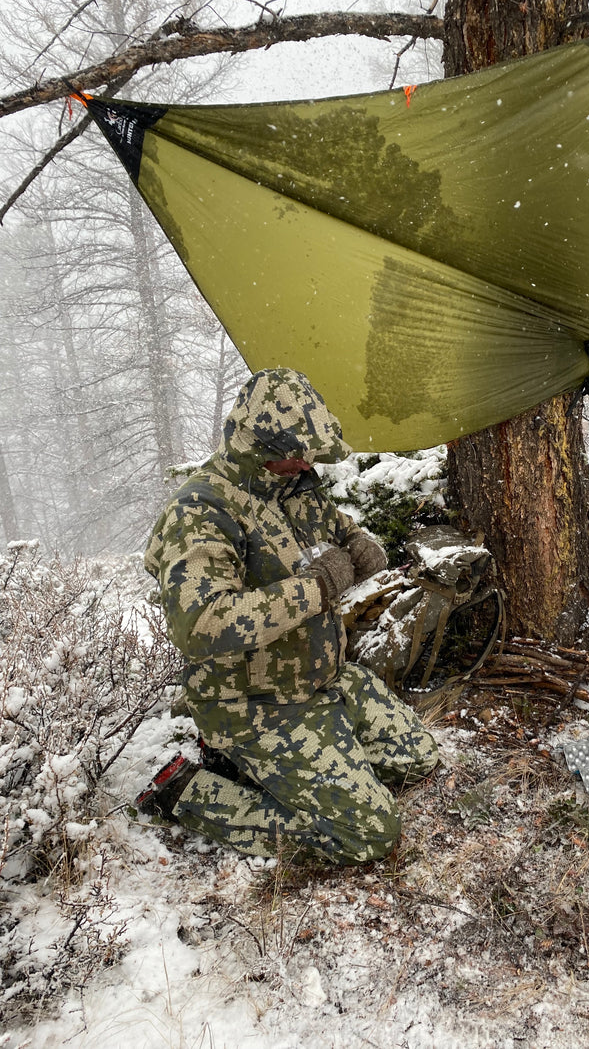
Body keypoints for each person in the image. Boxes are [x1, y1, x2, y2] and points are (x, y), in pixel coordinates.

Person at [136, 368, 438, 864]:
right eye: (296, 452)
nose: (306, 462)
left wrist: (358, 542)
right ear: (258, 444)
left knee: (417, 761)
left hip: (323, 681)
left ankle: (283, 769)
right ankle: (190, 793)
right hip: (256, 705)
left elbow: (334, 529)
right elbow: (202, 625)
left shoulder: (290, 485)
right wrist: (316, 588)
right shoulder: (201, 511)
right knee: (370, 833)